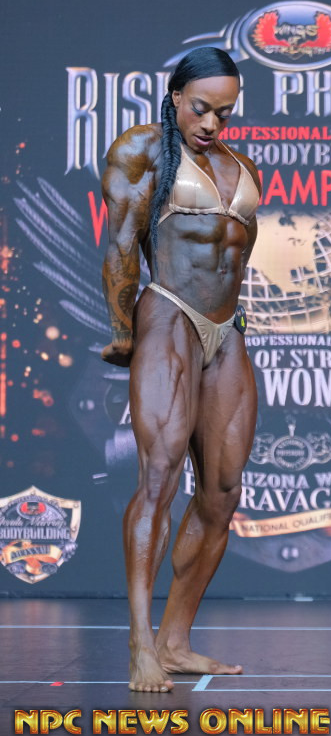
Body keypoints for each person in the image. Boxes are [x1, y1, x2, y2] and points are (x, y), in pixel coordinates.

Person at [101, 47, 261, 693]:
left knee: (223, 492)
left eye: (224, 112)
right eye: (201, 108)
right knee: (160, 476)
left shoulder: (241, 167)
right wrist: (124, 332)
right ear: (175, 97)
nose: (212, 123)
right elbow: (121, 244)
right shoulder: (142, 149)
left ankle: (174, 642)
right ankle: (140, 646)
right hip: (169, 314)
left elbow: (237, 256)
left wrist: (231, 324)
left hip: (226, 329)